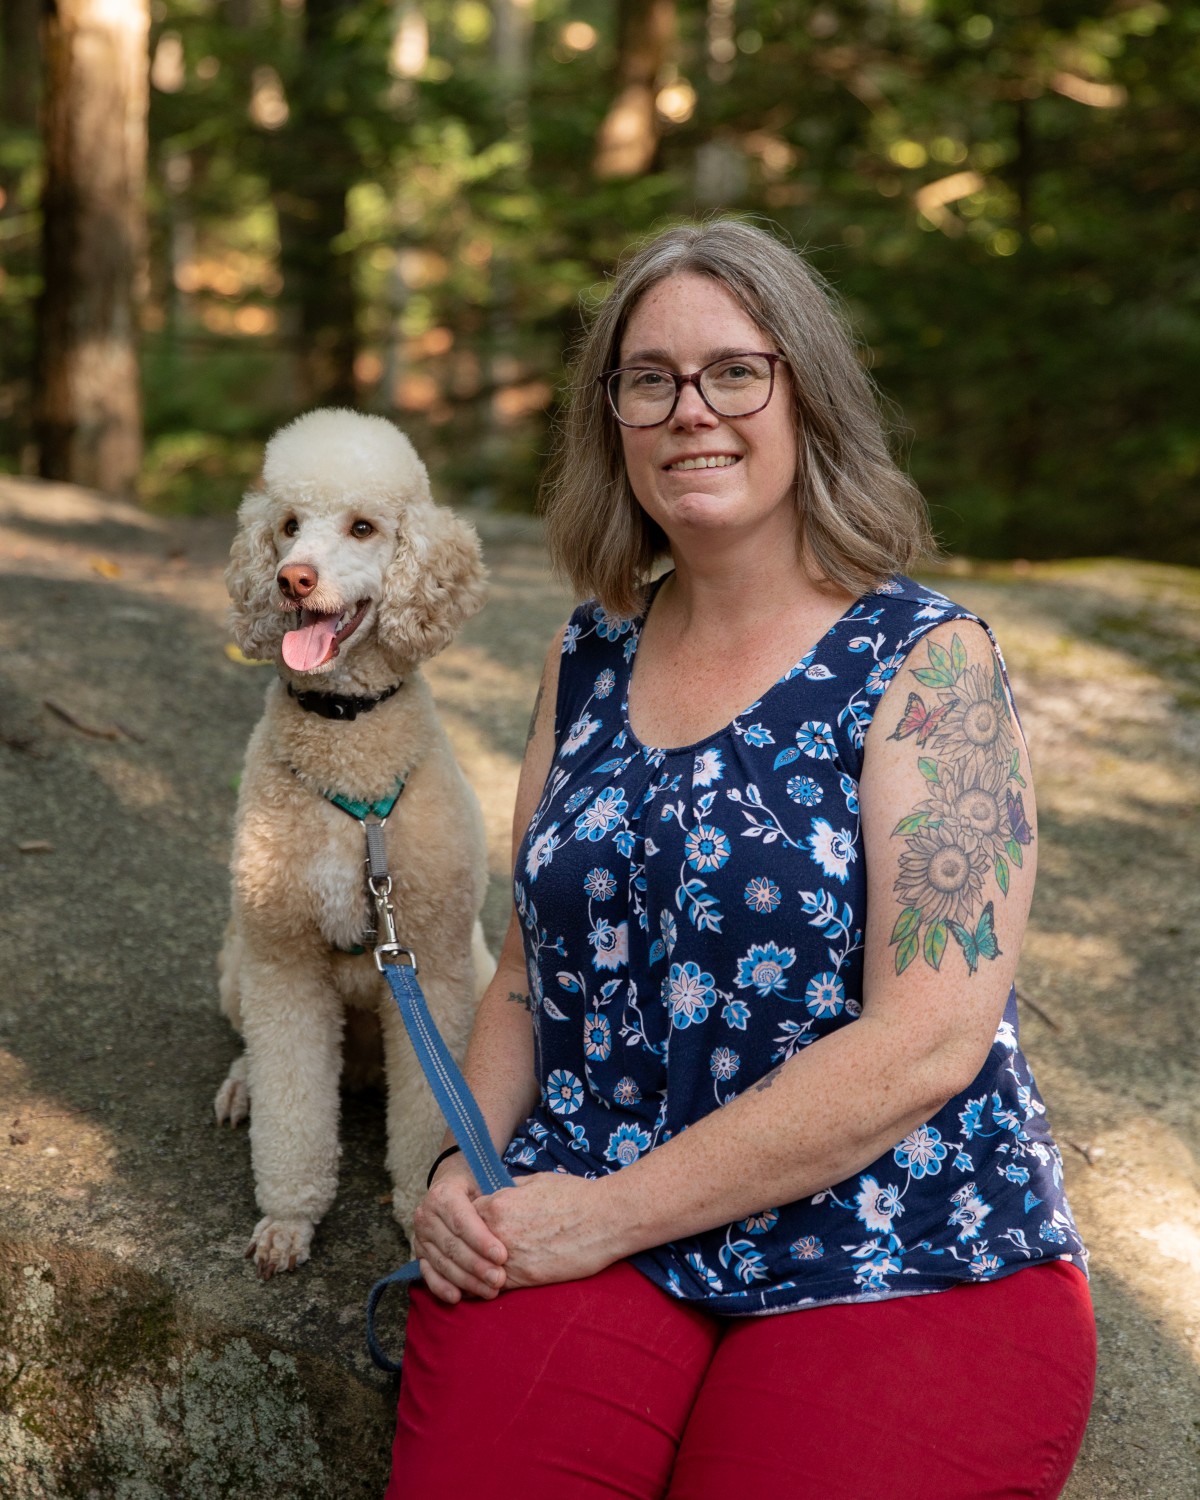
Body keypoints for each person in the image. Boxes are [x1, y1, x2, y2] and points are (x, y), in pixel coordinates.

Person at [384, 219, 1095, 1500]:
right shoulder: (588, 651)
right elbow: (528, 974)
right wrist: (459, 1172)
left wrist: (606, 1211)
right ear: (611, 418)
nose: (688, 410)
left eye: (733, 371)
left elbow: (928, 1039)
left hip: (903, 1243)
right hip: (586, 1216)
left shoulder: (930, 666)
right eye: (647, 378)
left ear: (806, 392)